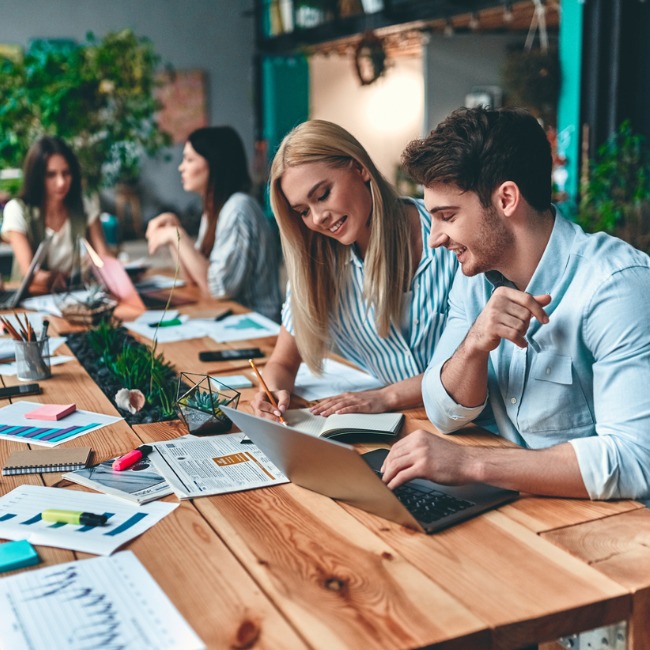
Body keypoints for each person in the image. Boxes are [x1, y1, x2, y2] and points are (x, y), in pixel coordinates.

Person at [381, 106, 650, 501]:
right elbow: (442, 411)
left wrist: (470, 464)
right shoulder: (474, 276)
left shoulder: (616, 287)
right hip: (520, 510)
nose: (436, 237)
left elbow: (636, 459)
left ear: (506, 198)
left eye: (448, 216)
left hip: (614, 531)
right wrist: (474, 345)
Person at [251, 119, 458, 420]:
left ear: (359, 168)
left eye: (322, 195)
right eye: (303, 212)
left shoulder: (448, 236)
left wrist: (386, 397)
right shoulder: (315, 265)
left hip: (476, 427)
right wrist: (271, 394)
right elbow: (282, 363)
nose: (318, 218)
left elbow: (485, 361)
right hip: (404, 427)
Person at [145, 126, 281, 321]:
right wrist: (175, 236)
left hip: (256, 326)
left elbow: (217, 288)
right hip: (230, 321)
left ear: (215, 164)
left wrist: (177, 236)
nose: (181, 167)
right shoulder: (213, 211)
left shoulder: (238, 209)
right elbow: (192, 278)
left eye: (189, 159)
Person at [1, 136, 109, 290]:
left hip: (77, 296)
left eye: (66, 173)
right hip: (32, 300)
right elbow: (29, 272)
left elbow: (103, 256)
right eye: (51, 174)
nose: (61, 182)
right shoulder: (17, 209)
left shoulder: (84, 205)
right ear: (37, 177)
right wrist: (56, 277)